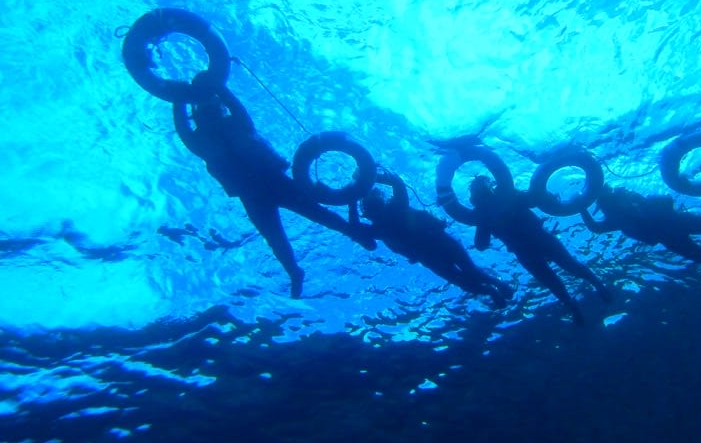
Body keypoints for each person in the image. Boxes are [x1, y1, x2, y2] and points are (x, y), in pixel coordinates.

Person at [172, 75, 375, 298]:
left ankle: (348, 237)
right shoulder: (204, 137)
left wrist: (185, 95)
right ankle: (295, 272)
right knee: (280, 234)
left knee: (314, 215)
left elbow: (197, 117)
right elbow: (186, 123)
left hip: (268, 184)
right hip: (256, 192)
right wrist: (184, 96)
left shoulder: (222, 129)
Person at [349, 170, 514, 307]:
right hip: (432, 252)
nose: (376, 210)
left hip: (437, 246)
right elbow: (397, 184)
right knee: (464, 279)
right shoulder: (382, 224)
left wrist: (355, 193)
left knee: (468, 275)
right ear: (369, 213)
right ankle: (493, 289)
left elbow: (397, 185)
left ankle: (497, 286)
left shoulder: (391, 214)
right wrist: (360, 189)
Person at [469, 175, 612, 325]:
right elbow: (481, 244)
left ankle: (589, 292)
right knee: (560, 273)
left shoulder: (504, 198)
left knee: (564, 270)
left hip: (532, 243)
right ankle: (581, 299)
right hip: (532, 244)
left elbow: (481, 244)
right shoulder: (490, 209)